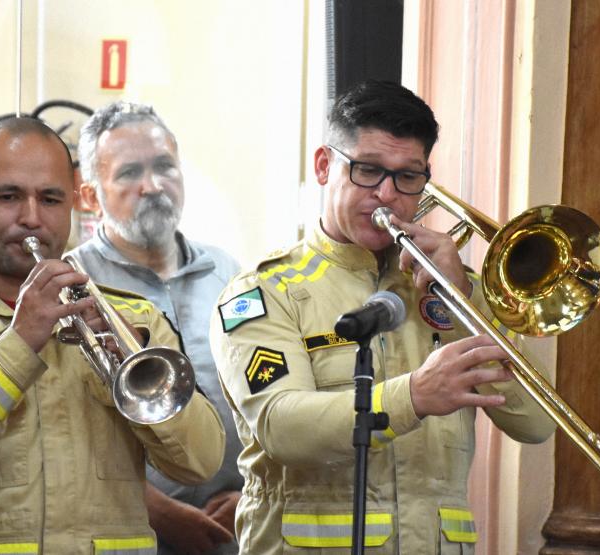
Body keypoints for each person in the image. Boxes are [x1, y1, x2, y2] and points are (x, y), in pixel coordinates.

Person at [209, 80, 555, 554]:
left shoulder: (452, 287)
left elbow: (537, 424)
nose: (388, 194)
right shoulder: (265, 291)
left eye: (408, 177)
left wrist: (464, 304)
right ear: (324, 166)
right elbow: (280, 425)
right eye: (368, 171)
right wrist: (413, 396)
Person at [0, 116, 225, 554]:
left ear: (72, 204)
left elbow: (200, 461)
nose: (31, 218)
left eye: (50, 199)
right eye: (8, 196)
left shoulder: (134, 316)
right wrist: (18, 344)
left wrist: (138, 366)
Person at [69, 101, 243, 555]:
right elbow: (63, 434)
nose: (153, 186)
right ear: (90, 196)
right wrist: (158, 511)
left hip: (235, 526)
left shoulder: (229, 273)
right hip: (126, 533)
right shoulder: (71, 286)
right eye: (129, 173)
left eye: (164, 166)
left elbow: (260, 398)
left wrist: (252, 493)